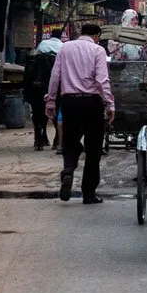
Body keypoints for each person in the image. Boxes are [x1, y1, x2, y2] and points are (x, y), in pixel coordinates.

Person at [46, 23, 114, 205]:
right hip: (92, 102)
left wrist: (51, 101)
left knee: (70, 141)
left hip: (69, 102)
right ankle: (89, 193)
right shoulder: (98, 50)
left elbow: (55, 76)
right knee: (93, 149)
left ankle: (68, 170)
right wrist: (110, 104)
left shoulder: (65, 48)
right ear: (97, 35)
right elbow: (102, 79)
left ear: (81, 33)